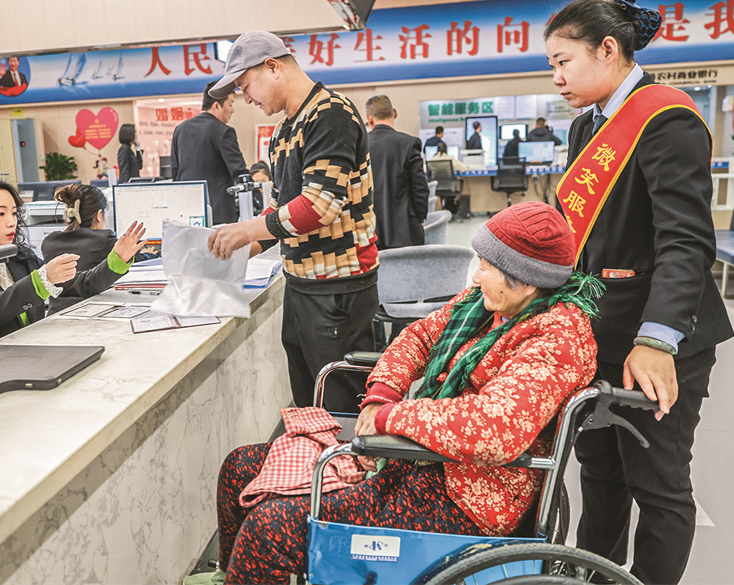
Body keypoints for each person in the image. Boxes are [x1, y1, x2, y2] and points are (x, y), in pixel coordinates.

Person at [190, 202, 601, 584]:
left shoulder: (557, 339)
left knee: (269, 530)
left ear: (526, 280)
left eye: (487, 266)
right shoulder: (487, 304)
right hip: (418, 459)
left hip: (462, 500)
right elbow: (419, 336)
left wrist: (391, 418)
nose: (476, 276)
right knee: (239, 468)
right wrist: (381, 396)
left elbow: (495, 428)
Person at [546, 0, 733, 585]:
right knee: (599, 473)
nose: (556, 77)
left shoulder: (666, 118)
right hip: (598, 331)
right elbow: (586, 237)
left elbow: (686, 242)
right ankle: (595, 575)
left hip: (657, 338)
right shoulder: (586, 125)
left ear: (608, 49)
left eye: (563, 61)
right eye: (551, 65)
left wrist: (656, 340)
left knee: (658, 484)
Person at [205, 30, 379, 412]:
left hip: (337, 288)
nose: (247, 99)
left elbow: (319, 206)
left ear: (273, 67)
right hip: (301, 285)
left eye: (246, 87)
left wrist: (246, 230)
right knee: (308, 404)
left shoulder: (331, 113)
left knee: (339, 407)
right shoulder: (284, 129)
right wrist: (239, 248)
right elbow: (280, 209)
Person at [0, 178, 146, 350]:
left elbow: (83, 284)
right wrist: (40, 281)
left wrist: (117, 260)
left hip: (33, 351)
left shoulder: (19, 258)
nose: (11, 222)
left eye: (14, 213)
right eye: (0, 214)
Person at [42, 183, 142, 312]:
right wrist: (150, 253)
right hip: (95, 312)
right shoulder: (104, 240)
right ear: (99, 215)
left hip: (54, 316)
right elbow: (135, 258)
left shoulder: (48, 242)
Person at [170, 81, 248, 224]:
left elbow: (175, 172)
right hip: (219, 215)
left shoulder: (180, 129)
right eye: (230, 104)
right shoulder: (223, 131)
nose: (232, 110)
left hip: (187, 212)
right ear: (216, 106)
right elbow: (239, 172)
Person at [365, 95, 429, 249]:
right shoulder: (409, 144)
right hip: (405, 231)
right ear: (394, 113)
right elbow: (420, 188)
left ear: (369, 119)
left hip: (369, 232)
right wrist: (420, 219)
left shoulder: (359, 145)